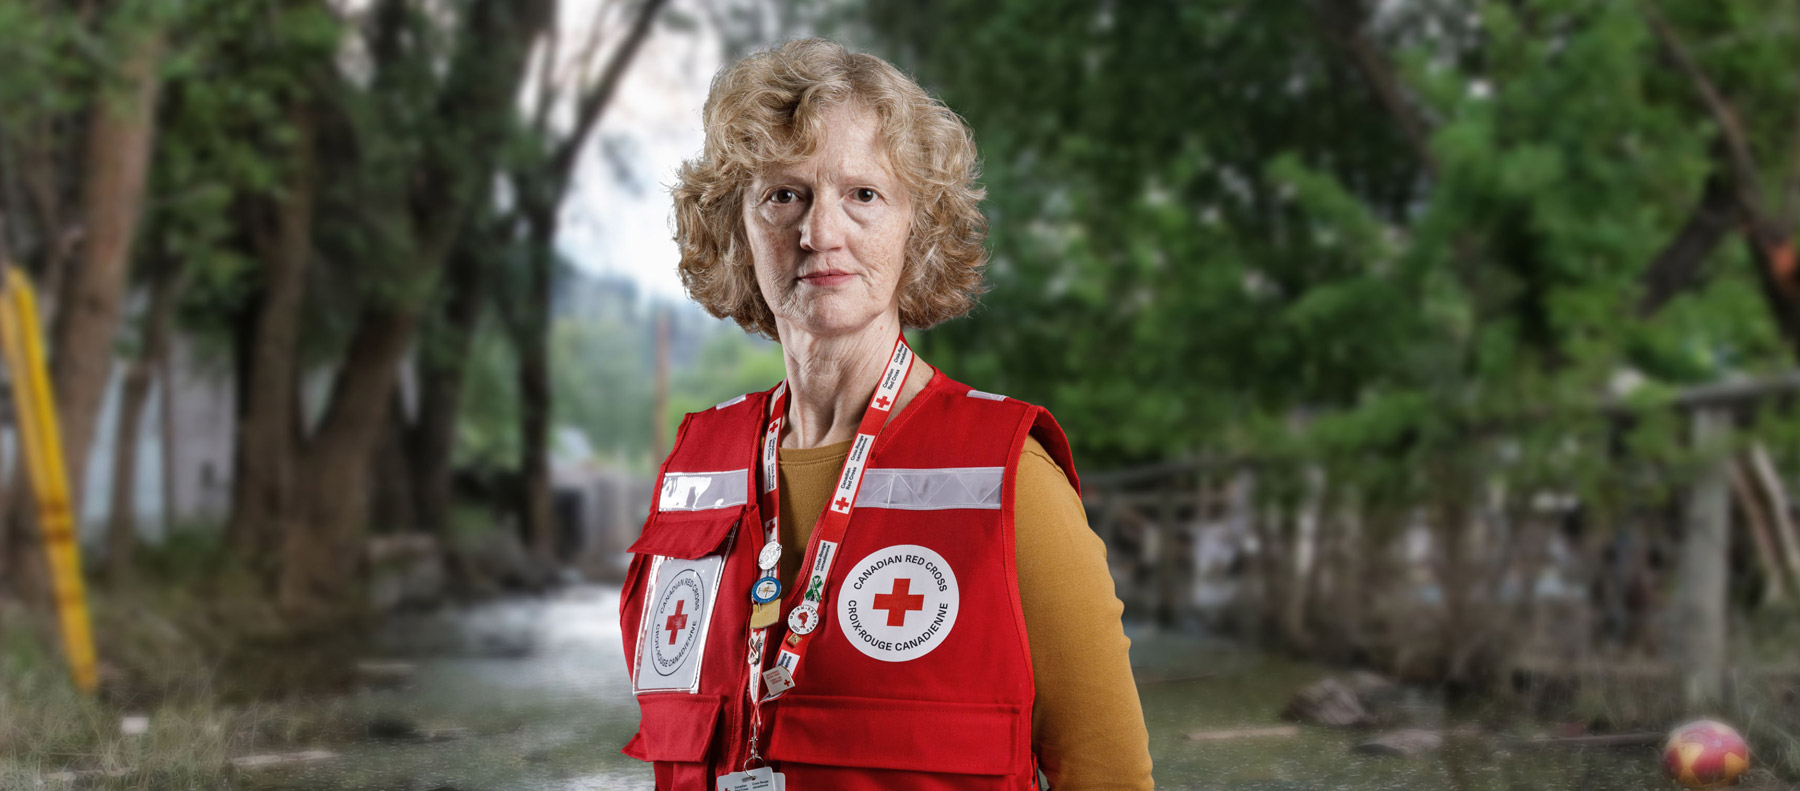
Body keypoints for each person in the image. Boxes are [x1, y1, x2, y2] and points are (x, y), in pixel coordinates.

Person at [618, 38, 1152, 791]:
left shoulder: (1011, 480)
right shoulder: (692, 470)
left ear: (918, 230)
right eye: (784, 194)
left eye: (863, 194)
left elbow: (1110, 777)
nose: (819, 233)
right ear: (737, 228)